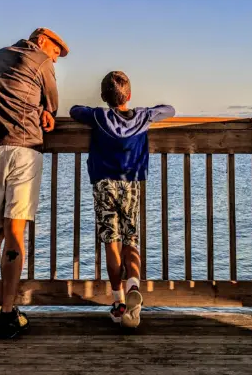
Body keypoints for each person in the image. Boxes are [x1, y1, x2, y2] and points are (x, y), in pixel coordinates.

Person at [0, 28, 69, 339]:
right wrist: (47, 112)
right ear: (43, 40)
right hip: (24, 149)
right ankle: (8, 312)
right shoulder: (40, 61)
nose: (54, 59)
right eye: (55, 52)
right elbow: (52, 102)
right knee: (14, 233)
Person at [70, 71, 175, 329]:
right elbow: (169, 110)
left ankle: (117, 301)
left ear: (105, 97)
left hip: (104, 184)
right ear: (128, 95)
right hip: (131, 184)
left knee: (111, 242)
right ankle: (134, 287)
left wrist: (95, 107)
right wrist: (146, 111)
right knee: (131, 238)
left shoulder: (99, 116)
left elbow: (74, 110)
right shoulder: (142, 117)